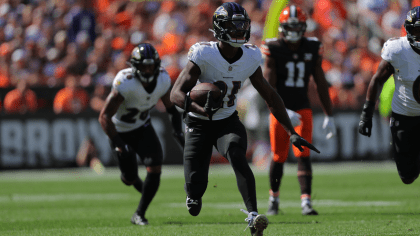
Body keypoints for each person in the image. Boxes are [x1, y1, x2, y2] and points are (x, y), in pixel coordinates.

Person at [170, 3, 319, 236]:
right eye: (234, 26)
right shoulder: (204, 54)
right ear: (220, 28)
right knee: (196, 187)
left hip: (227, 120)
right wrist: (198, 107)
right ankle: (193, 194)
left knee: (237, 155)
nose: (240, 31)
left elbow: (270, 95)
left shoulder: (250, 56)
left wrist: (292, 132)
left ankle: (253, 216)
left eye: (243, 26)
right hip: (198, 123)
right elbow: (175, 94)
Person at [261, 5, 336, 216]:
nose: (293, 31)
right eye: (289, 26)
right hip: (280, 108)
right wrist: (281, 109)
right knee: (278, 156)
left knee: (304, 154)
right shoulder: (274, 48)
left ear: (304, 26)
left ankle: (306, 202)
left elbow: (320, 82)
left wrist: (329, 114)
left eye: (297, 26)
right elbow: (268, 87)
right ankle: (273, 199)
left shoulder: (312, 47)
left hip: (302, 108)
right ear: (283, 27)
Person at [98, 43, 184, 225]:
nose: (148, 69)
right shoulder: (126, 82)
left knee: (155, 165)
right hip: (120, 131)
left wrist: (178, 131)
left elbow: (172, 109)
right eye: (144, 66)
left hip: (142, 127)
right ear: (135, 66)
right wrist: (119, 143)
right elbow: (104, 117)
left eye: (151, 65)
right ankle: (138, 184)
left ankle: (139, 214)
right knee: (128, 178)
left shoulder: (162, 79)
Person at [359, 6, 420, 185]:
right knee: (407, 176)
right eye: (417, 31)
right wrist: (367, 113)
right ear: (408, 31)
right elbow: (377, 80)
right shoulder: (398, 49)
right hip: (405, 117)